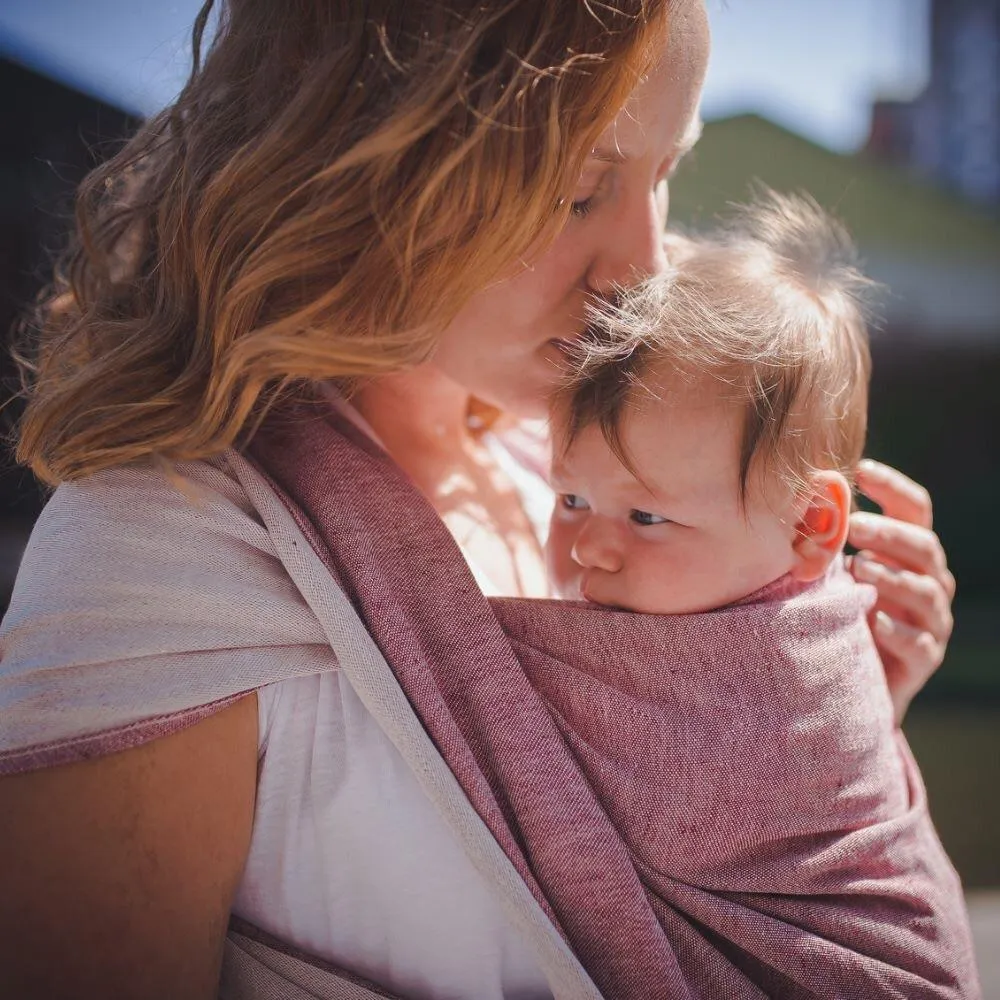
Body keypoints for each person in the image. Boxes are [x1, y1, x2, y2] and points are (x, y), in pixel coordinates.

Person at [0, 2, 959, 998]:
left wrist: (813, 716)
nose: (637, 269)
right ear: (369, 167)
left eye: (663, 172)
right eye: (580, 192)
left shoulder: (589, 472)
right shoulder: (159, 562)